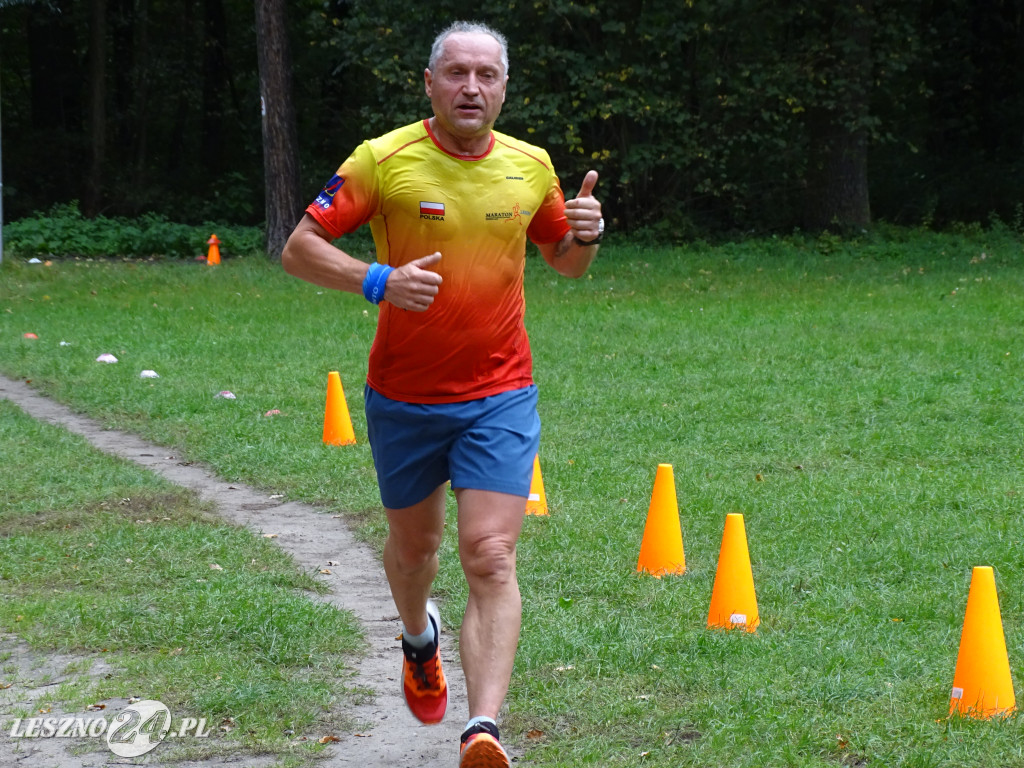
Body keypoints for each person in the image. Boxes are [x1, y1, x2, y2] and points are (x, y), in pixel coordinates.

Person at [282, 20, 603, 768]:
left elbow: (565, 260)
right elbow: (298, 247)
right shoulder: (384, 159)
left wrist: (584, 232)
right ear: (429, 84)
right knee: (415, 551)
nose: (471, 87)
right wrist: (378, 280)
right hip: (404, 397)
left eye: (486, 75)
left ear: (503, 87)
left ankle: (482, 729)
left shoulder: (531, 166)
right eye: (455, 73)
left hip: (500, 392)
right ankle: (418, 638)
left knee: (490, 556)